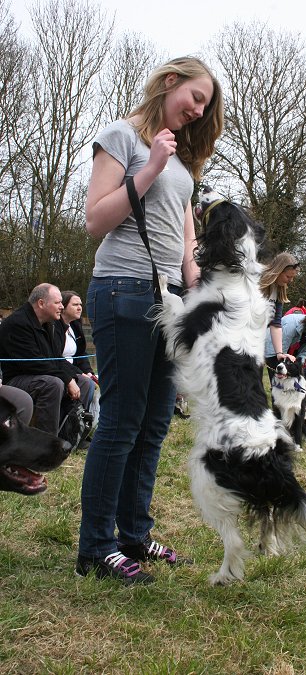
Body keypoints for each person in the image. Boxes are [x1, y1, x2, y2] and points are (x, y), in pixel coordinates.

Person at [76, 56, 224, 585]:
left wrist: (195, 281)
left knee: (155, 424)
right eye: (196, 97)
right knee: (120, 422)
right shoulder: (122, 136)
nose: (198, 110)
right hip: (123, 291)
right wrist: (150, 169)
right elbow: (96, 219)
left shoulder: (181, 162)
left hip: (169, 300)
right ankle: (95, 547)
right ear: (170, 82)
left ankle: (133, 534)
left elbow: (184, 234)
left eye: (205, 105)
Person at [0, 284, 93, 436]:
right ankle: (46, 441)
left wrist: (77, 374)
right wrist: (67, 379)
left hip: (38, 373)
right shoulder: (18, 324)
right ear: (41, 303)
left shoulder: (48, 324)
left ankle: (68, 436)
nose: (62, 307)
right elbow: (34, 363)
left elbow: (56, 358)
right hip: (17, 378)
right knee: (53, 384)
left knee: (84, 382)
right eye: (58, 303)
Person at [55, 291, 97, 406]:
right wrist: (79, 373)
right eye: (75, 305)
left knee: (93, 381)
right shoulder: (54, 327)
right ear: (63, 306)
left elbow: (81, 353)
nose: (79, 308)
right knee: (87, 383)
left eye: (80, 305)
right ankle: (75, 417)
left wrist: (88, 371)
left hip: (75, 370)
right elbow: (55, 357)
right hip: (60, 370)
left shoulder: (75, 325)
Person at [265, 310, 306, 383]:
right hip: (274, 347)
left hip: (288, 349)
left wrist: (299, 364)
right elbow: (282, 350)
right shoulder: (291, 325)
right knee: (277, 379)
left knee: (289, 380)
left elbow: (305, 351)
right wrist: (285, 363)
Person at [260, 252, 299, 363]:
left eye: (292, 277)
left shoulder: (278, 291)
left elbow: (276, 324)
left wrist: (279, 353)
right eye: (288, 276)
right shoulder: (254, 282)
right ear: (278, 271)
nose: (290, 280)